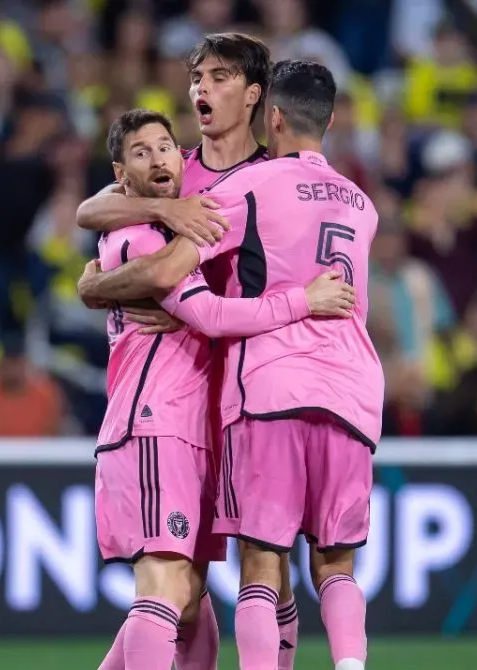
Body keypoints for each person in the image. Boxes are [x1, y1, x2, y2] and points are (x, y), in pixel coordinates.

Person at [78, 60, 380, 670]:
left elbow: (172, 277)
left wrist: (99, 285)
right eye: (199, 77)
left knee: (231, 579)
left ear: (263, 107)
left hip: (252, 392)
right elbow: (100, 214)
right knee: (313, 565)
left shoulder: (249, 184)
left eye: (220, 77)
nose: (203, 89)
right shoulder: (363, 203)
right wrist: (107, 278)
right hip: (324, 391)